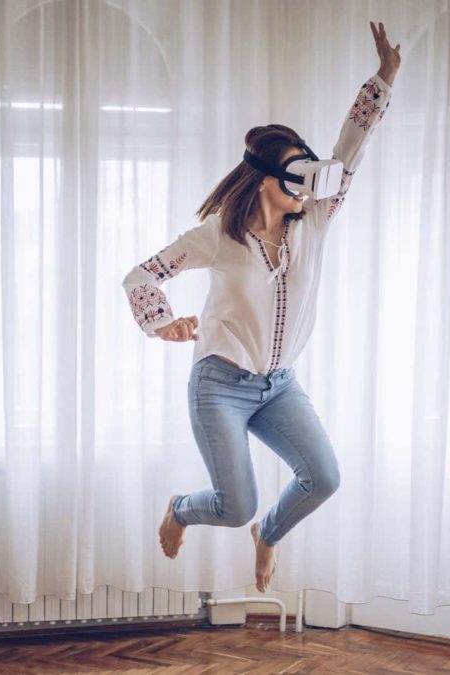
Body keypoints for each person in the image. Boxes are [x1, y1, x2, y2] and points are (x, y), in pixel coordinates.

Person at [122, 21, 400, 594]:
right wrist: (162, 322)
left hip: (279, 386)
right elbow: (142, 275)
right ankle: (181, 508)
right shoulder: (218, 235)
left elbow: (351, 149)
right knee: (233, 505)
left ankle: (268, 537)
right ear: (269, 178)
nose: (308, 182)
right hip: (219, 383)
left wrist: (384, 79)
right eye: (296, 171)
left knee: (323, 479)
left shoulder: (315, 220)